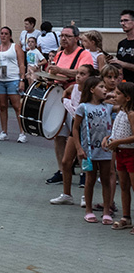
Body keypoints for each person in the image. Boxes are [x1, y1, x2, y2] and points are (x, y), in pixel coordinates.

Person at [50, 64, 95, 203]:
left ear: (90, 77)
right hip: (75, 130)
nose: (78, 76)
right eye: (78, 73)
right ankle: (66, 195)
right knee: (65, 162)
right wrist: (65, 98)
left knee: (86, 164)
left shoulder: (92, 93)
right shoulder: (74, 87)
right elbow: (67, 91)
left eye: (82, 74)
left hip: (88, 131)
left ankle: (85, 196)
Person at [73, 76, 114, 224]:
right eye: (101, 87)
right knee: (90, 179)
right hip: (89, 150)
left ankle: (106, 211)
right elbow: (75, 128)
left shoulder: (108, 107)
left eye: (105, 87)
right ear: (91, 90)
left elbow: (122, 103)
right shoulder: (83, 107)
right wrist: (78, 147)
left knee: (105, 180)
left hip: (105, 150)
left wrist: (110, 95)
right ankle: (88, 210)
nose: (105, 89)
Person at [0, 26, 27, 143]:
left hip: (13, 78)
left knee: (17, 106)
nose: (3, 36)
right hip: (0, 79)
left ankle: (22, 132)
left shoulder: (15, 47)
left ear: (10, 36)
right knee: (2, 106)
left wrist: (22, 80)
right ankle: (4, 131)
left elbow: (21, 64)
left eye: (6, 34)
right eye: (2, 34)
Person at [104, 81, 134, 231]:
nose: (114, 96)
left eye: (117, 94)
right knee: (123, 185)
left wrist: (118, 141)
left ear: (127, 98)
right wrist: (109, 138)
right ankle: (126, 217)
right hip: (120, 153)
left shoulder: (131, 113)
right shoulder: (121, 111)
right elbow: (117, 130)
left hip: (131, 153)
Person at [116, 11, 134, 84]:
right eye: (121, 21)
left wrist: (122, 64)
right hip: (123, 84)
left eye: (126, 20)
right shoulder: (121, 43)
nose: (123, 23)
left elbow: (121, 63)